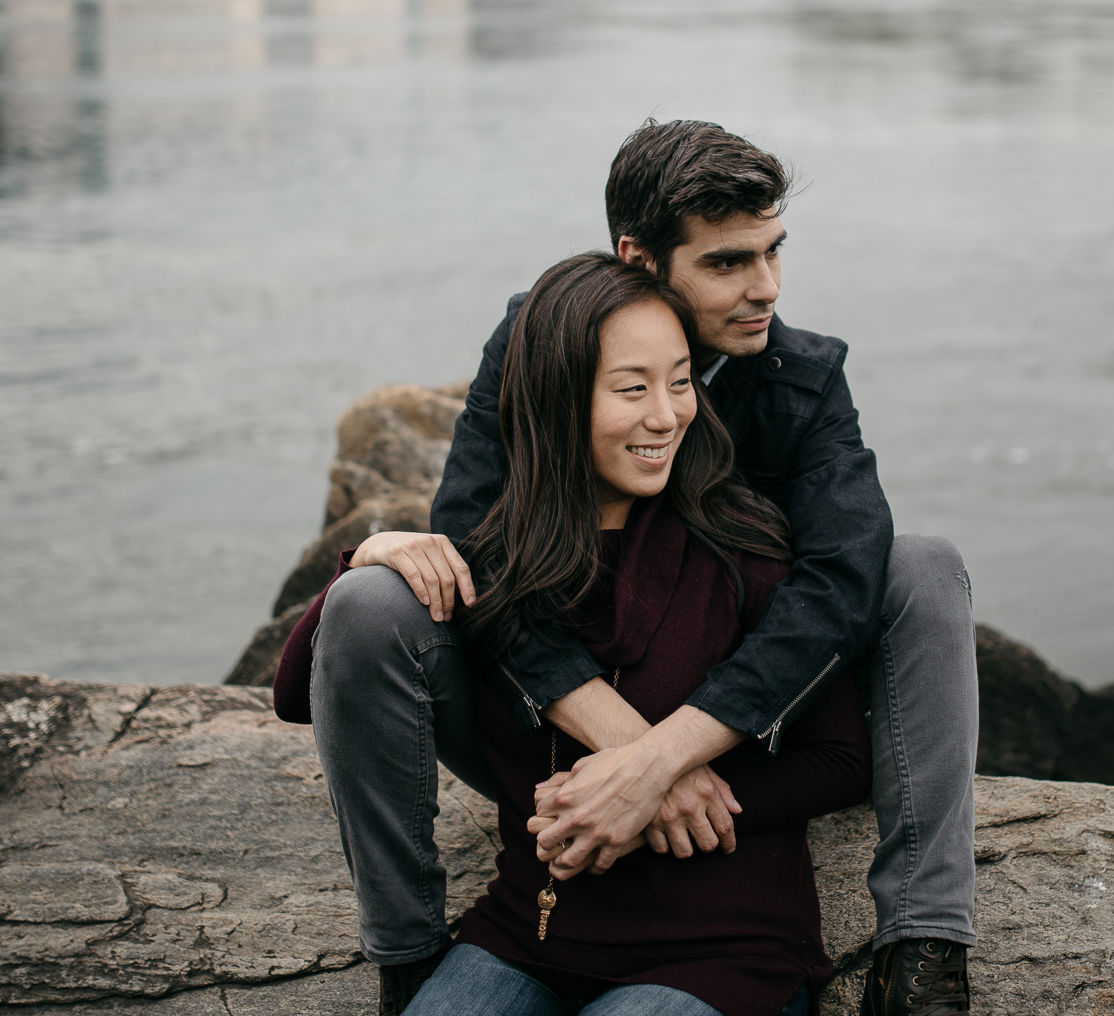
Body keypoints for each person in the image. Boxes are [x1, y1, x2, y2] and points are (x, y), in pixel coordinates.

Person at [276, 120, 979, 1016]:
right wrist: (633, 757)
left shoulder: (798, 378)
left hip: (734, 741)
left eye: (773, 253)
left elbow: (840, 585)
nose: (766, 288)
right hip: (545, 735)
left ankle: (924, 946)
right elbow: (477, 539)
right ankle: (410, 955)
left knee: (918, 566)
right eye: (728, 263)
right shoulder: (545, 337)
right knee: (377, 601)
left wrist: (659, 762)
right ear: (639, 260)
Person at [400, 251, 868, 1014]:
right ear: (558, 399)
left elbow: (845, 758)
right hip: (528, 933)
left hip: (720, 949)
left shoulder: (744, 543)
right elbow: (327, 657)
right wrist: (378, 551)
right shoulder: (498, 560)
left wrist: (646, 791)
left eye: (681, 382)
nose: (666, 415)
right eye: (632, 388)